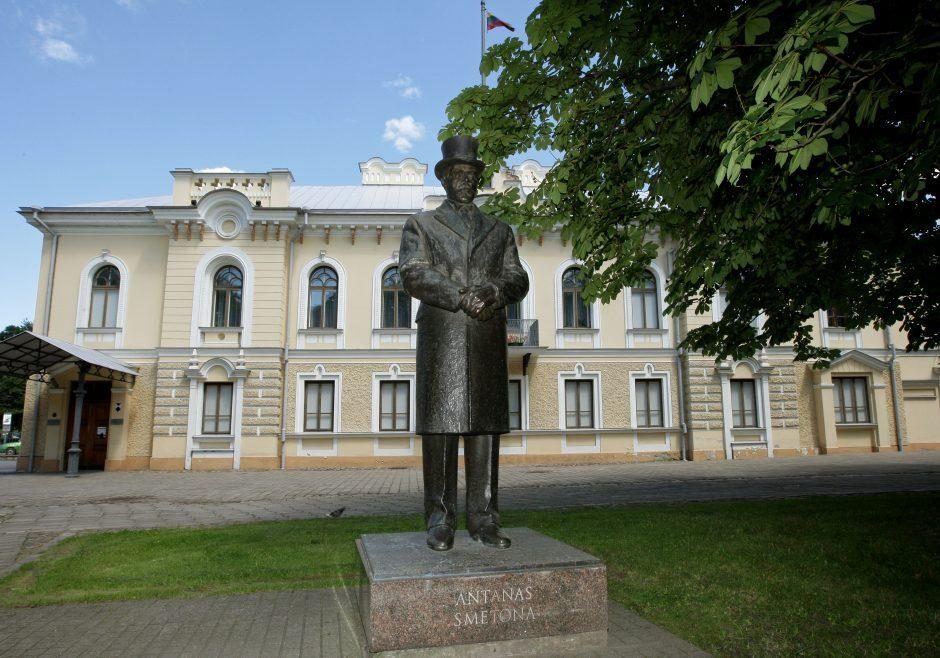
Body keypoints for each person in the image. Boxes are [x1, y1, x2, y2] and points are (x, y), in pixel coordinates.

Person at [399, 135, 529, 551]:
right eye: (457, 174)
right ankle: (440, 518)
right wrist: (459, 296)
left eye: (471, 174)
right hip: (443, 335)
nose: (465, 181)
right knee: (440, 427)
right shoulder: (422, 225)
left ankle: (484, 519)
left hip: (486, 334)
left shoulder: (500, 229)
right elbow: (413, 272)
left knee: (484, 429)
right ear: (444, 179)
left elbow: (518, 277)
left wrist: (492, 291)